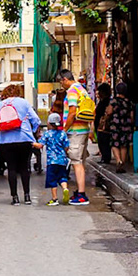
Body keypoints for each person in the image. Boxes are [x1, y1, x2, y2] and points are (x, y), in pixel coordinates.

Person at [0, 82, 40, 204]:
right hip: (24, 139)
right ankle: (27, 196)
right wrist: (32, 132)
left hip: (6, 141)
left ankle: (15, 197)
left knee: (11, 168)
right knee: (25, 167)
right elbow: (36, 120)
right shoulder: (24, 103)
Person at [58, 68, 94, 202]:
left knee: (76, 162)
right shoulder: (82, 89)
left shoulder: (72, 91)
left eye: (61, 82)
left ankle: (82, 195)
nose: (61, 85)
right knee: (81, 161)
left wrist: (64, 129)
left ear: (65, 79)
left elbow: (72, 112)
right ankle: (80, 191)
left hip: (75, 131)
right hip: (83, 129)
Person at [39, 112, 71, 203]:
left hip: (52, 162)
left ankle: (55, 198)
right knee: (62, 177)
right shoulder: (62, 133)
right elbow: (66, 146)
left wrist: (33, 143)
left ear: (49, 123)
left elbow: (40, 145)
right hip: (62, 161)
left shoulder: (47, 134)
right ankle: (65, 188)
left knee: (52, 180)